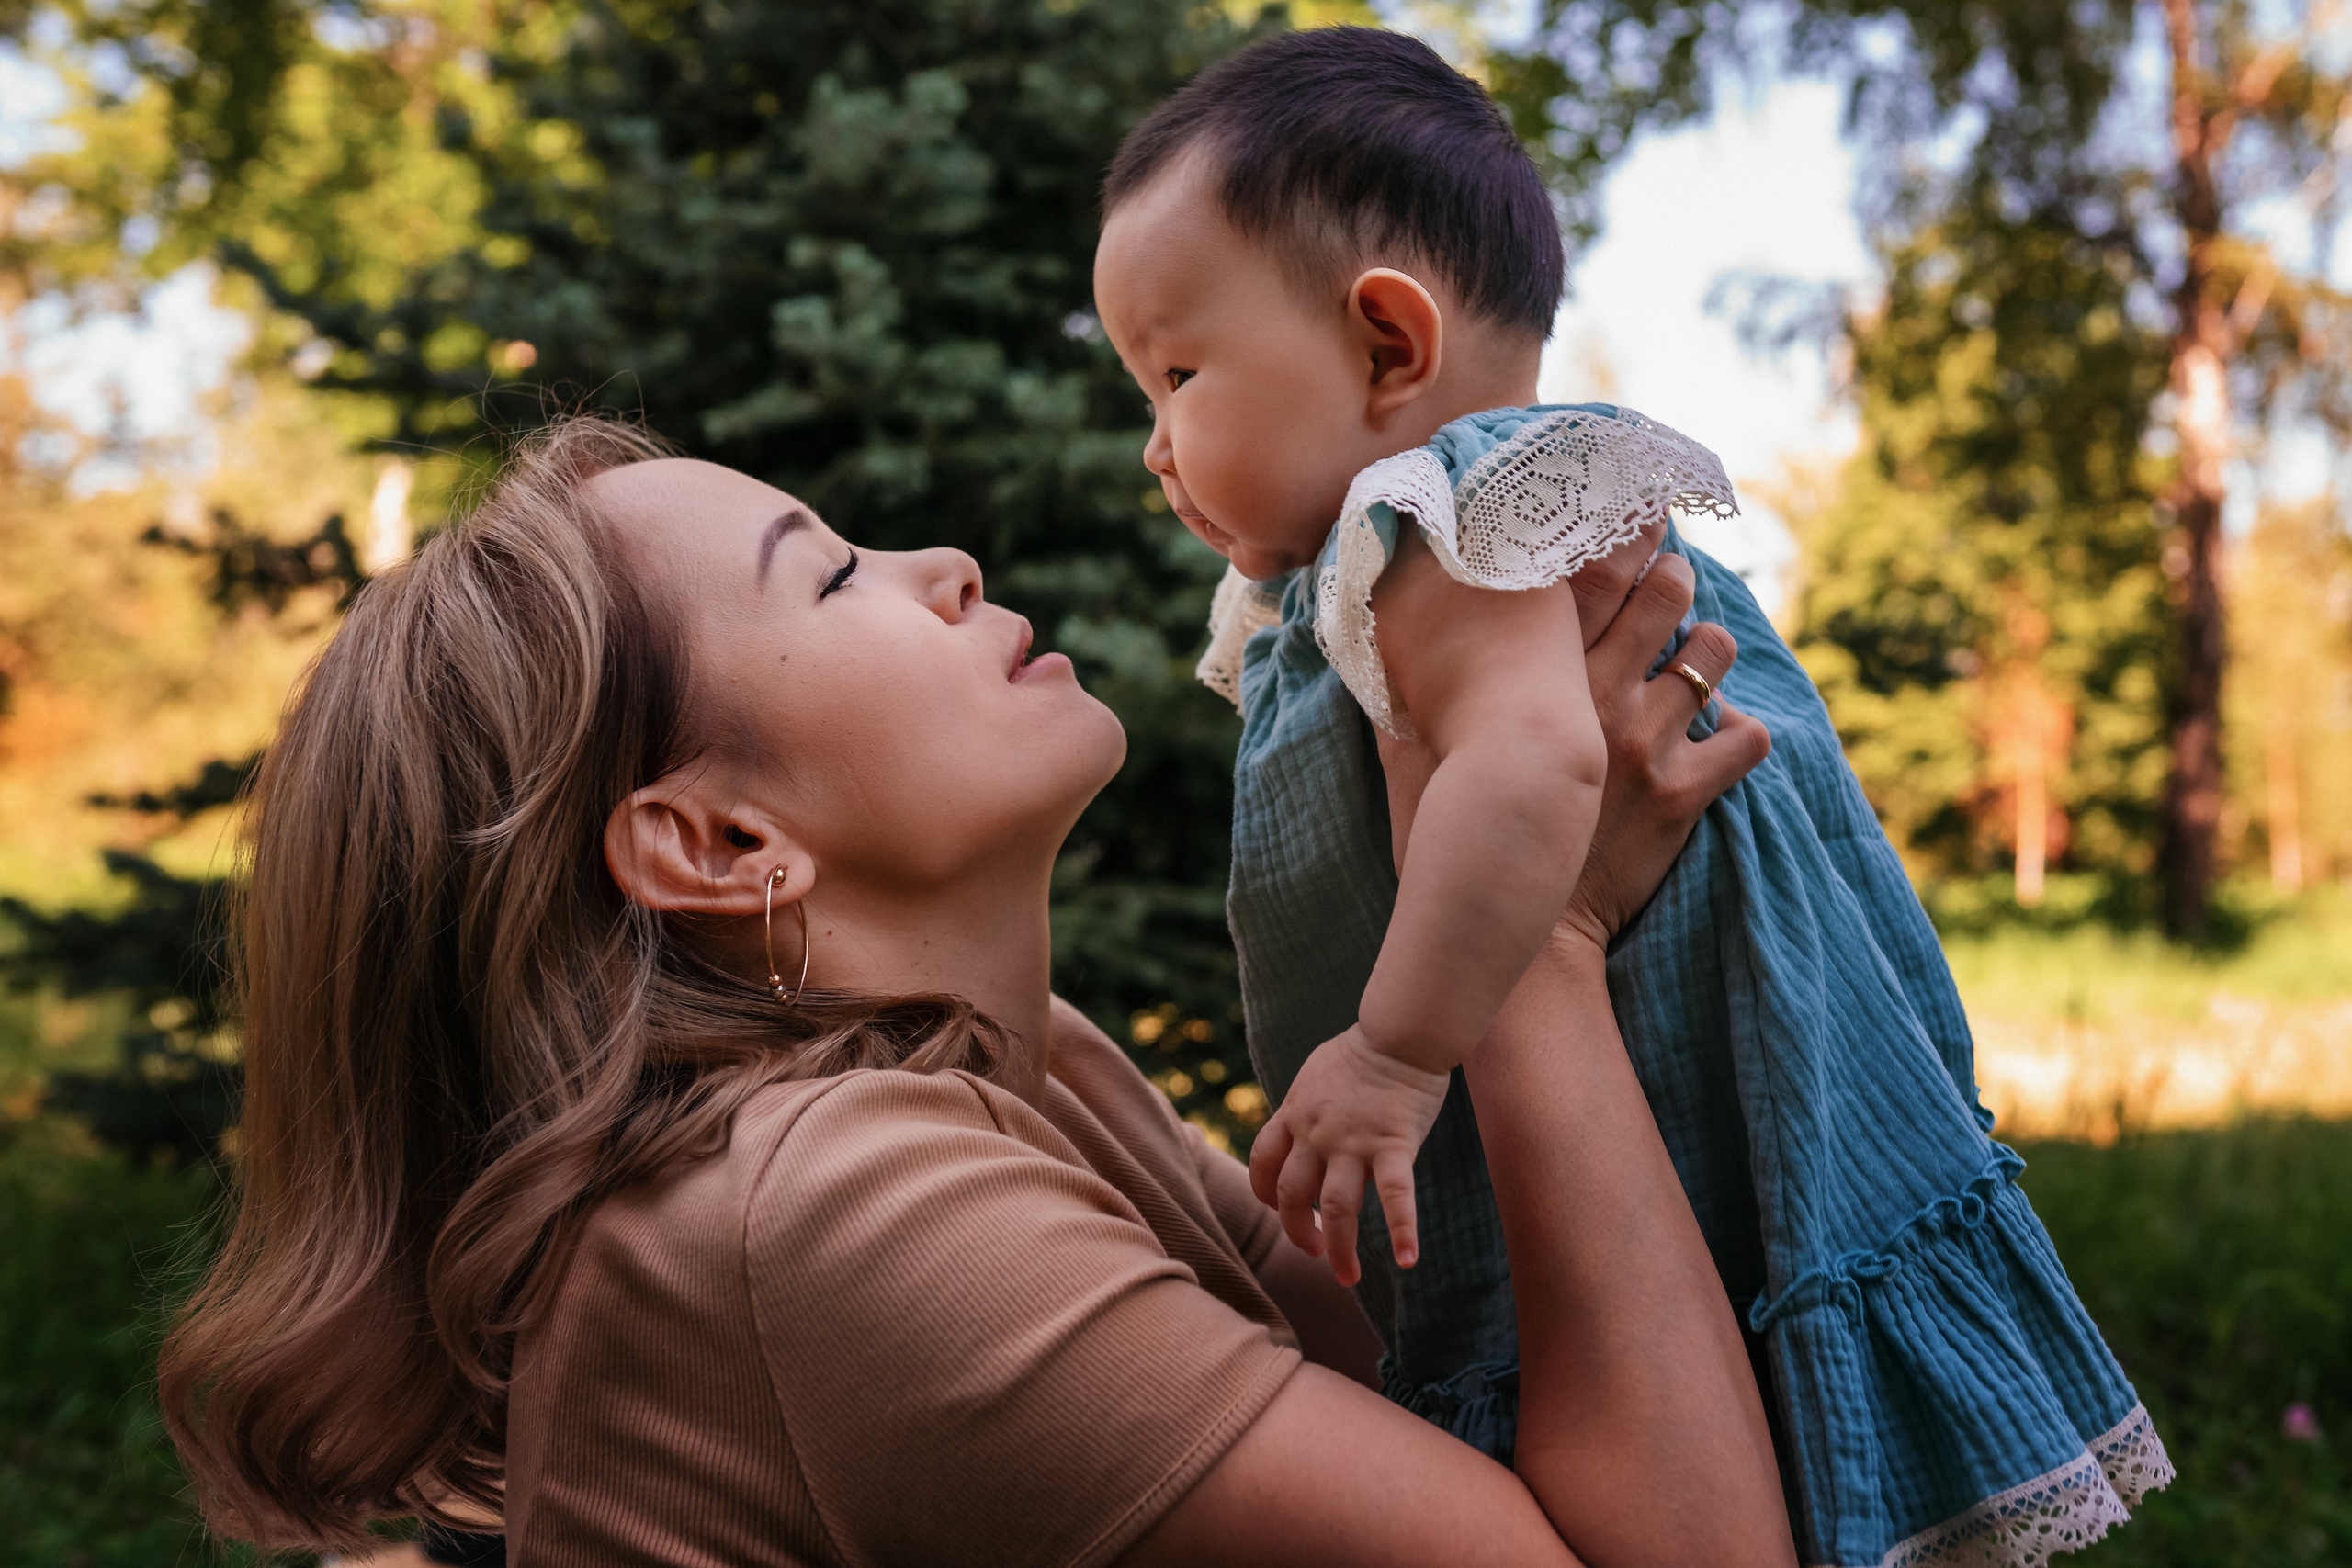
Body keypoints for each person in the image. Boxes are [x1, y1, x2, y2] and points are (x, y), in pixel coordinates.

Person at [157, 417, 1797, 1564]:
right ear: (723, 843)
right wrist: (1529, 947)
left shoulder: (1026, 1070)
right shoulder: (831, 1214)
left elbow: (1415, 1401)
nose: (940, 563)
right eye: (827, 575)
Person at [1091, 27, 2172, 1566]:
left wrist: (1395, 1060)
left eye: (1178, 373)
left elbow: (1538, 769)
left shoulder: (1446, 514)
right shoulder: (1398, 550)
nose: (1155, 446)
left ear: (1389, 347)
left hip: (1668, 1057)